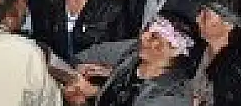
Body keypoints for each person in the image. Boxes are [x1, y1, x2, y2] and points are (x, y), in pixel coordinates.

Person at [67, 11, 199, 106]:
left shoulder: (171, 96)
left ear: (175, 50)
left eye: (154, 36)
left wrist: (81, 103)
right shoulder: (133, 52)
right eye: (146, 30)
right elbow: (91, 54)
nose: (143, 37)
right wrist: (94, 91)